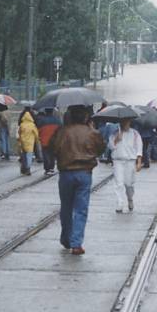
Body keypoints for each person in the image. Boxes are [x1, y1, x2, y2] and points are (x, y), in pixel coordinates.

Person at [49, 105, 106, 255]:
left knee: (66, 207)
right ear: (86, 117)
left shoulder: (62, 132)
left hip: (66, 173)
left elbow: (52, 148)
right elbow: (101, 149)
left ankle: (66, 238)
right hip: (84, 173)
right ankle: (76, 243)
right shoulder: (91, 132)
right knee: (81, 209)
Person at [108, 118, 142, 213]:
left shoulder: (135, 134)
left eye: (127, 121)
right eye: (123, 121)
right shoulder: (114, 133)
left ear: (130, 122)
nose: (125, 123)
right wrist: (116, 140)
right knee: (118, 183)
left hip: (130, 161)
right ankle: (120, 203)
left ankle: (130, 198)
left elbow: (139, 148)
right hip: (118, 161)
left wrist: (139, 162)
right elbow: (110, 147)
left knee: (128, 183)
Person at [37, 107, 63, 175]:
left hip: (44, 140)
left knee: (45, 154)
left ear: (45, 112)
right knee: (52, 154)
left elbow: (38, 129)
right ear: (53, 112)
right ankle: (51, 167)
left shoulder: (42, 120)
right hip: (54, 140)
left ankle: (47, 168)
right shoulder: (57, 120)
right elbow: (61, 129)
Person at [17, 110, 39, 176]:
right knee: (29, 156)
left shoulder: (22, 125)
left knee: (24, 156)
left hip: (23, 142)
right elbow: (36, 134)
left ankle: (23, 168)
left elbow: (19, 133)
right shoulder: (32, 125)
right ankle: (28, 169)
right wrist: (37, 140)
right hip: (30, 143)